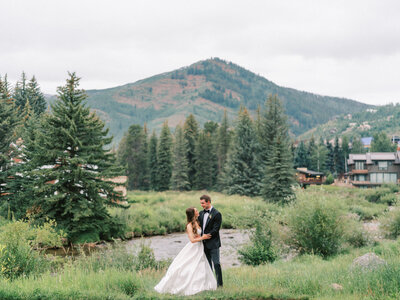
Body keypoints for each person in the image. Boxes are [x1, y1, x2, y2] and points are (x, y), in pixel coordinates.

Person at [154, 207, 217, 296]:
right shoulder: (189, 225)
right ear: (192, 213)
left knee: (200, 266)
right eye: (196, 211)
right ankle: (185, 286)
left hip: (200, 247)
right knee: (187, 266)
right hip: (193, 248)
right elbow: (192, 240)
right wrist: (203, 237)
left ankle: (201, 286)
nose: (198, 211)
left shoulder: (197, 222)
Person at [198, 194, 223, 287]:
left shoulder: (217, 214)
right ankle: (210, 284)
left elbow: (216, 229)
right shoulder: (200, 213)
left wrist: (206, 236)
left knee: (216, 263)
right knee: (208, 265)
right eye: (201, 203)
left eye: (203, 203)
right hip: (203, 244)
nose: (202, 205)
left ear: (208, 202)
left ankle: (220, 284)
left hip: (213, 243)